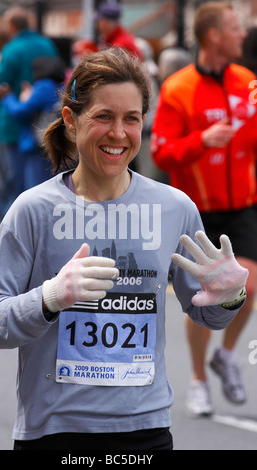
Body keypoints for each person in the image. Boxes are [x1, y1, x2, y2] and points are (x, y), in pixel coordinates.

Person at [0, 48, 248, 451]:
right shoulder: (34, 209)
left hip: (146, 430)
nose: (118, 133)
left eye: (131, 119)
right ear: (70, 121)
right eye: (103, 116)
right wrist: (49, 299)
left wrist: (230, 298)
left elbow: (208, 315)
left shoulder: (174, 208)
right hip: (54, 432)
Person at [151, 2, 257, 417]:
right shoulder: (178, 88)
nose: (243, 35)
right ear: (213, 35)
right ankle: (197, 378)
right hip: (197, 212)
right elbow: (160, 152)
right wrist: (202, 140)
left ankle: (226, 356)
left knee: (247, 285)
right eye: (235, 28)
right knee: (204, 301)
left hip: (244, 205)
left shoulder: (248, 82)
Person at [0, 6, 58, 217]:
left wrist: (7, 92)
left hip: (16, 127)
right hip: (44, 129)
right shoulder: (46, 43)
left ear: (11, 26)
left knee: (17, 180)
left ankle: (13, 225)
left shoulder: (11, 49)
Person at [1, 56, 66, 190]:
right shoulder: (59, 86)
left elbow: (20, 111)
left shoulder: (44, 86)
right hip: (52, 144)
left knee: (36, 189)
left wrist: (7, 97)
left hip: (38, 147)